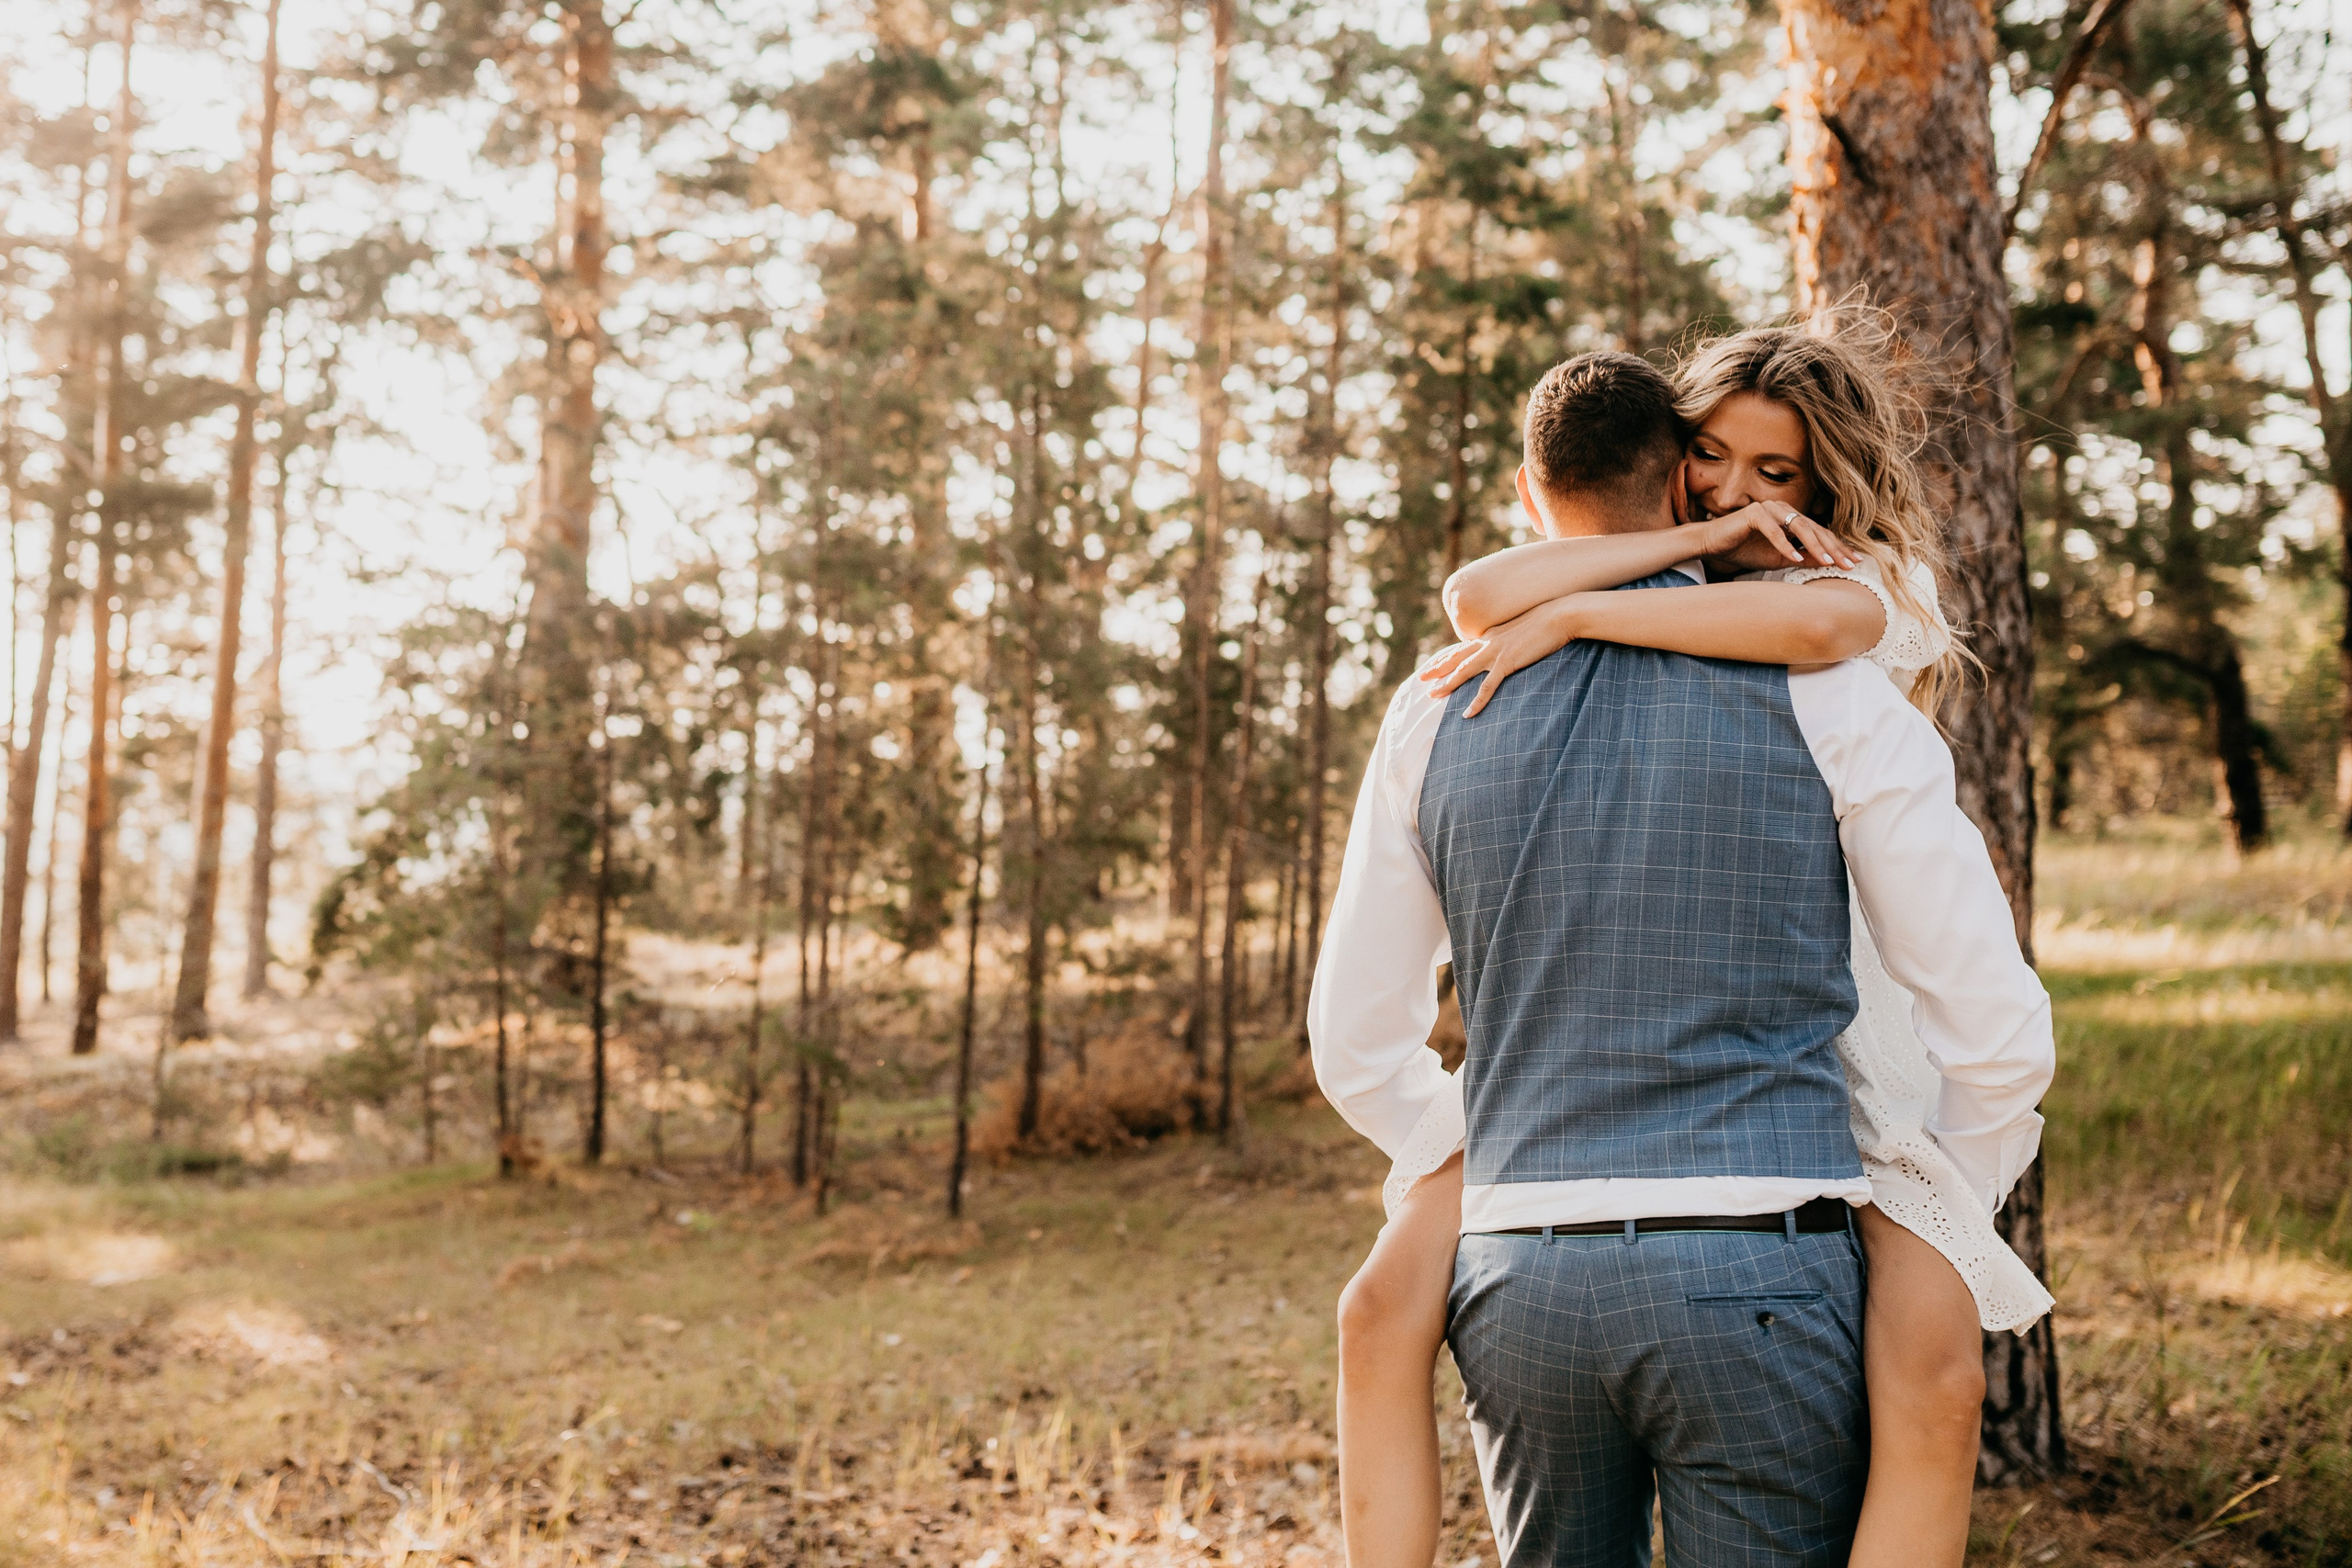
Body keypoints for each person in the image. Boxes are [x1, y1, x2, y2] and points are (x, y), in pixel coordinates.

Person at [1309, 343, 2054, 1567]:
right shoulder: (1836, 693)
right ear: (1678, 474)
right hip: (1762, 1268)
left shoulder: (1440, 703)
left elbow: (1355, 1048)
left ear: (1527, 485)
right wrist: (1929, 1212)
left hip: (1517, 1278)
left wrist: (1490, 1155)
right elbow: (1998, 1030)